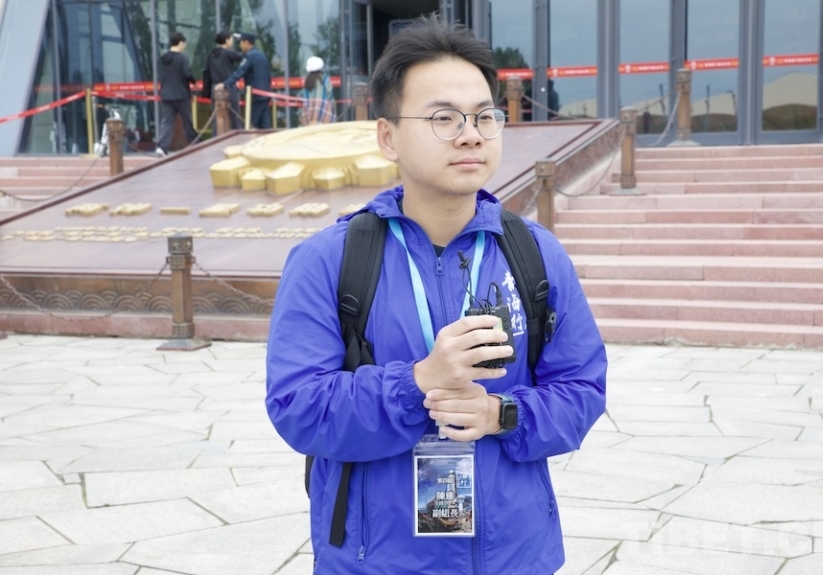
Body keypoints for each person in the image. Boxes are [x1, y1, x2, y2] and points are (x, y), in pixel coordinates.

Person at [265, 16, 606, 575]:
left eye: (484, 116)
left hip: (514, 557)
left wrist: (502, 413)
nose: (470, 135)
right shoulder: (328, 260)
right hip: (375, 562)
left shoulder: (536, 254)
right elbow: (298, 407)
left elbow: (583, 389)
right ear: (388, 137)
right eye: (443, 118)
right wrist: (418, 381)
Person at [215, 32, 272, 129]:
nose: (240, 45)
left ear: (247, 42)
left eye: (240, 42)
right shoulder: (261, 55)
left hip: (256, 96)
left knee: (252, 126)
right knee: (265, 126)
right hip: (265, 94)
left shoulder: (250, 56)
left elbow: (239, 72)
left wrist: (225, 84)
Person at [156, 31, 197, 157]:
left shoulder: (162, 59)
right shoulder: (182, 58)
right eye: (184, 43)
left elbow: (160, 76)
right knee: (187, 121)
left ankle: (162, 147)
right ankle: (194, 144)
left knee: (167, 121)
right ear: (180, 43)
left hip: (166, 95)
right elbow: (187, 74)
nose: (185, 46)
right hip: (181, 94)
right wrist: (193, 81)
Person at [203, 30, 243, 133]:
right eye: (231, 39)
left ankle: (216, 140)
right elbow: (244, 57)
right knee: (235, 117)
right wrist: (241, 40)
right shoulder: (228, 53)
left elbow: (207, 73)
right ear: (226, 40)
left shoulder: (211, 55)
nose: (232, 41)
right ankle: (238, 138)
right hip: (228, 87)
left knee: (217, 119)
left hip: (215, 88)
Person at [299, 55, 336, 126]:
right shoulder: (325, 79)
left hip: (310, 113)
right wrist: (333, 105)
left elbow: (305, 98)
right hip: (324, 113)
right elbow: (330, 95)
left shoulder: (307, 81)